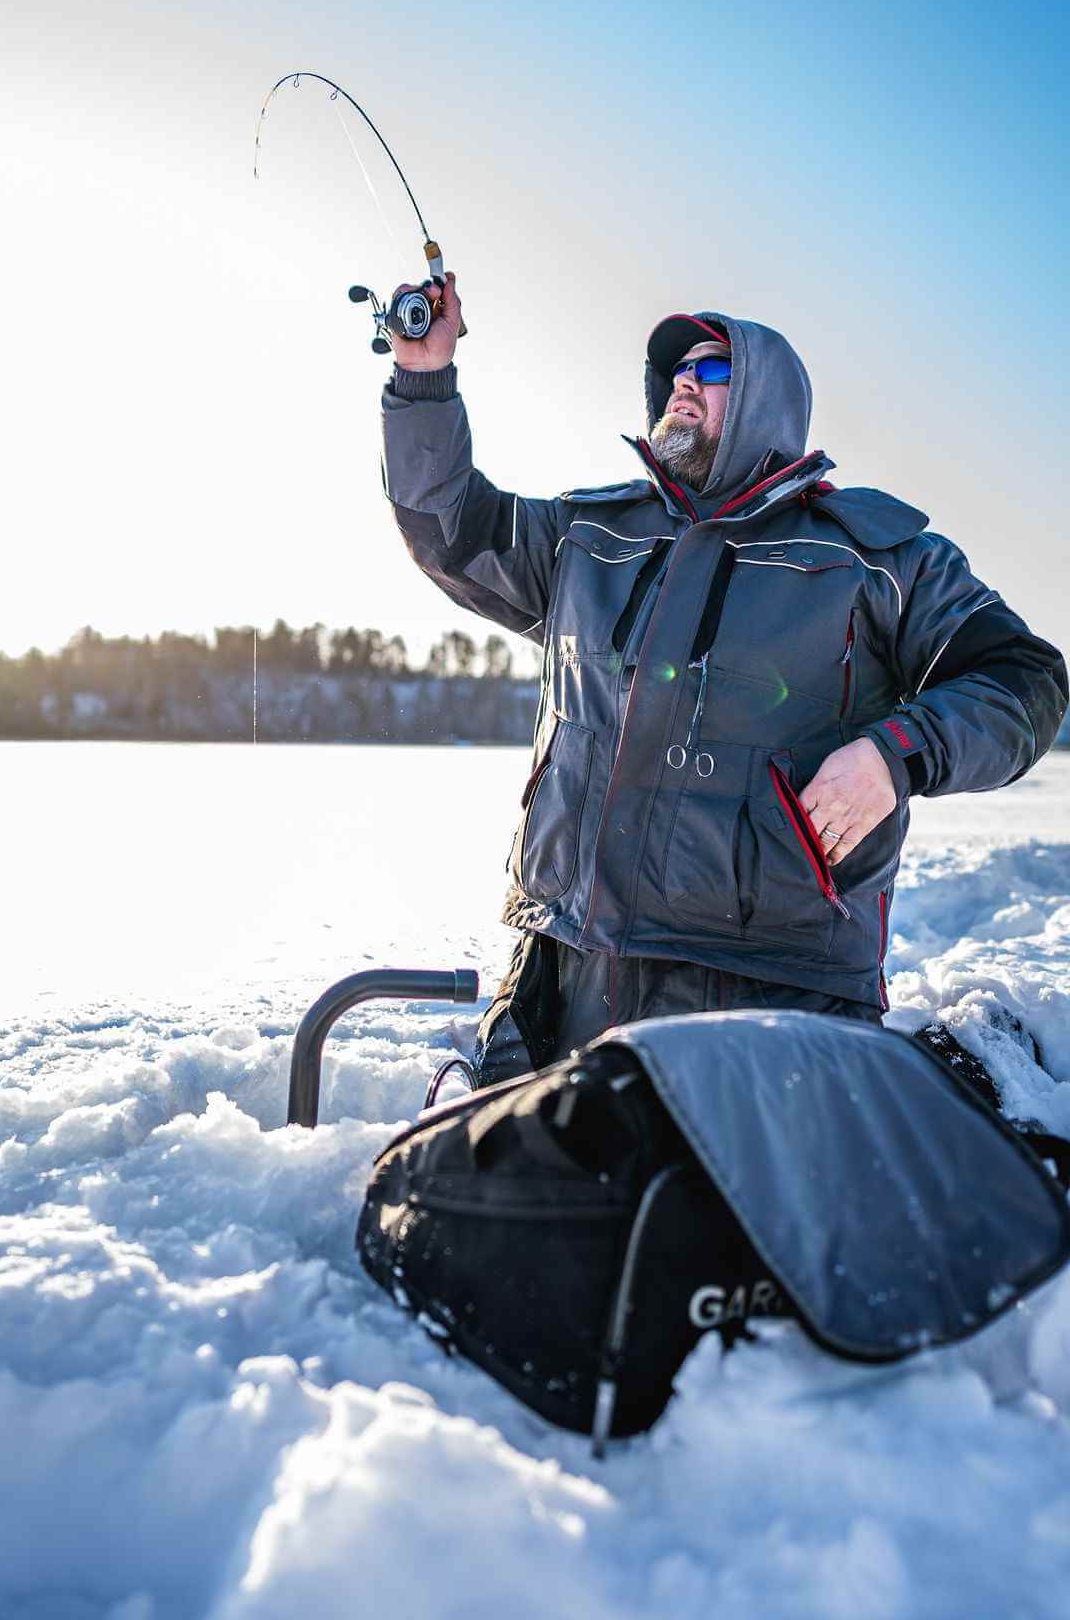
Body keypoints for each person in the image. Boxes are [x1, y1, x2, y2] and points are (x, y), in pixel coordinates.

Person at [380, 273, 1068, 1082]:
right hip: (564, 971)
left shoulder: (878, 559)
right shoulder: (591, 535)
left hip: (774, 997)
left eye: (710, 369)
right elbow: (447, 527)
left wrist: (897, 754)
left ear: (766, 403)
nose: (682, 382)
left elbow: (1026, 680)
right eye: (675, 371)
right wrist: (423, 379)